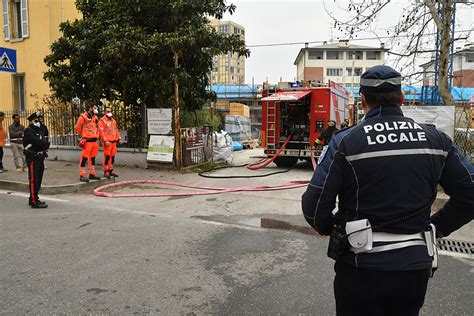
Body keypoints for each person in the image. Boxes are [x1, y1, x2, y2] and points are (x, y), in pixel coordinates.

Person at [302, 65, 473, 316]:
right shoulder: (436, 140)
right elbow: (470, 194)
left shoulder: (346, 141)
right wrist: (435, 227)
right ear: (402, 98)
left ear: (362, 99)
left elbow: (314, 205)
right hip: (413, 268)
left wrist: (333, 230)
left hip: (360, 266)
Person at [23, 112, 50, 208]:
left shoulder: (40, 130)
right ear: (31, 121)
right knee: (34, 180)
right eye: (36, 120)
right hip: (32, 158)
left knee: (39, 179)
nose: (38, 122)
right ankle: (34, 202)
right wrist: (43, 143)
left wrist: (44, 143)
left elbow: (45, 141)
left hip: (40, 157)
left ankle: (34, 198)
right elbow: (37, 142)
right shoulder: (28, 131)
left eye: (38, 120)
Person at [75, 103, 101, 182]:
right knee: (84, 158)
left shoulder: (95, 117)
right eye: (94, 107)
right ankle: (82, 175)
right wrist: (84, 135)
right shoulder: (82, 117)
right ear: (89, 109)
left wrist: (97, 135)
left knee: (92, 158)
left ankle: (92, 174)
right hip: (87, 141)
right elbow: (78, 127)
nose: (96, 109)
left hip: (94, 141)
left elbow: (97, 127)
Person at [98, 106, 122, 178]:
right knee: (107, 157)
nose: (109, 113)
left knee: (112, 157)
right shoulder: (102, 121)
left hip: (113, 142)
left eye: (110, 111)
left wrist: (119, 138)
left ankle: (111, 170)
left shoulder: (113, 121)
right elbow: (101, 132)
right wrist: (105, 140)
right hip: (107, 142)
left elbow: (116, 130)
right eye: (108, 111)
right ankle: (106, 171)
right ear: (105, 112)